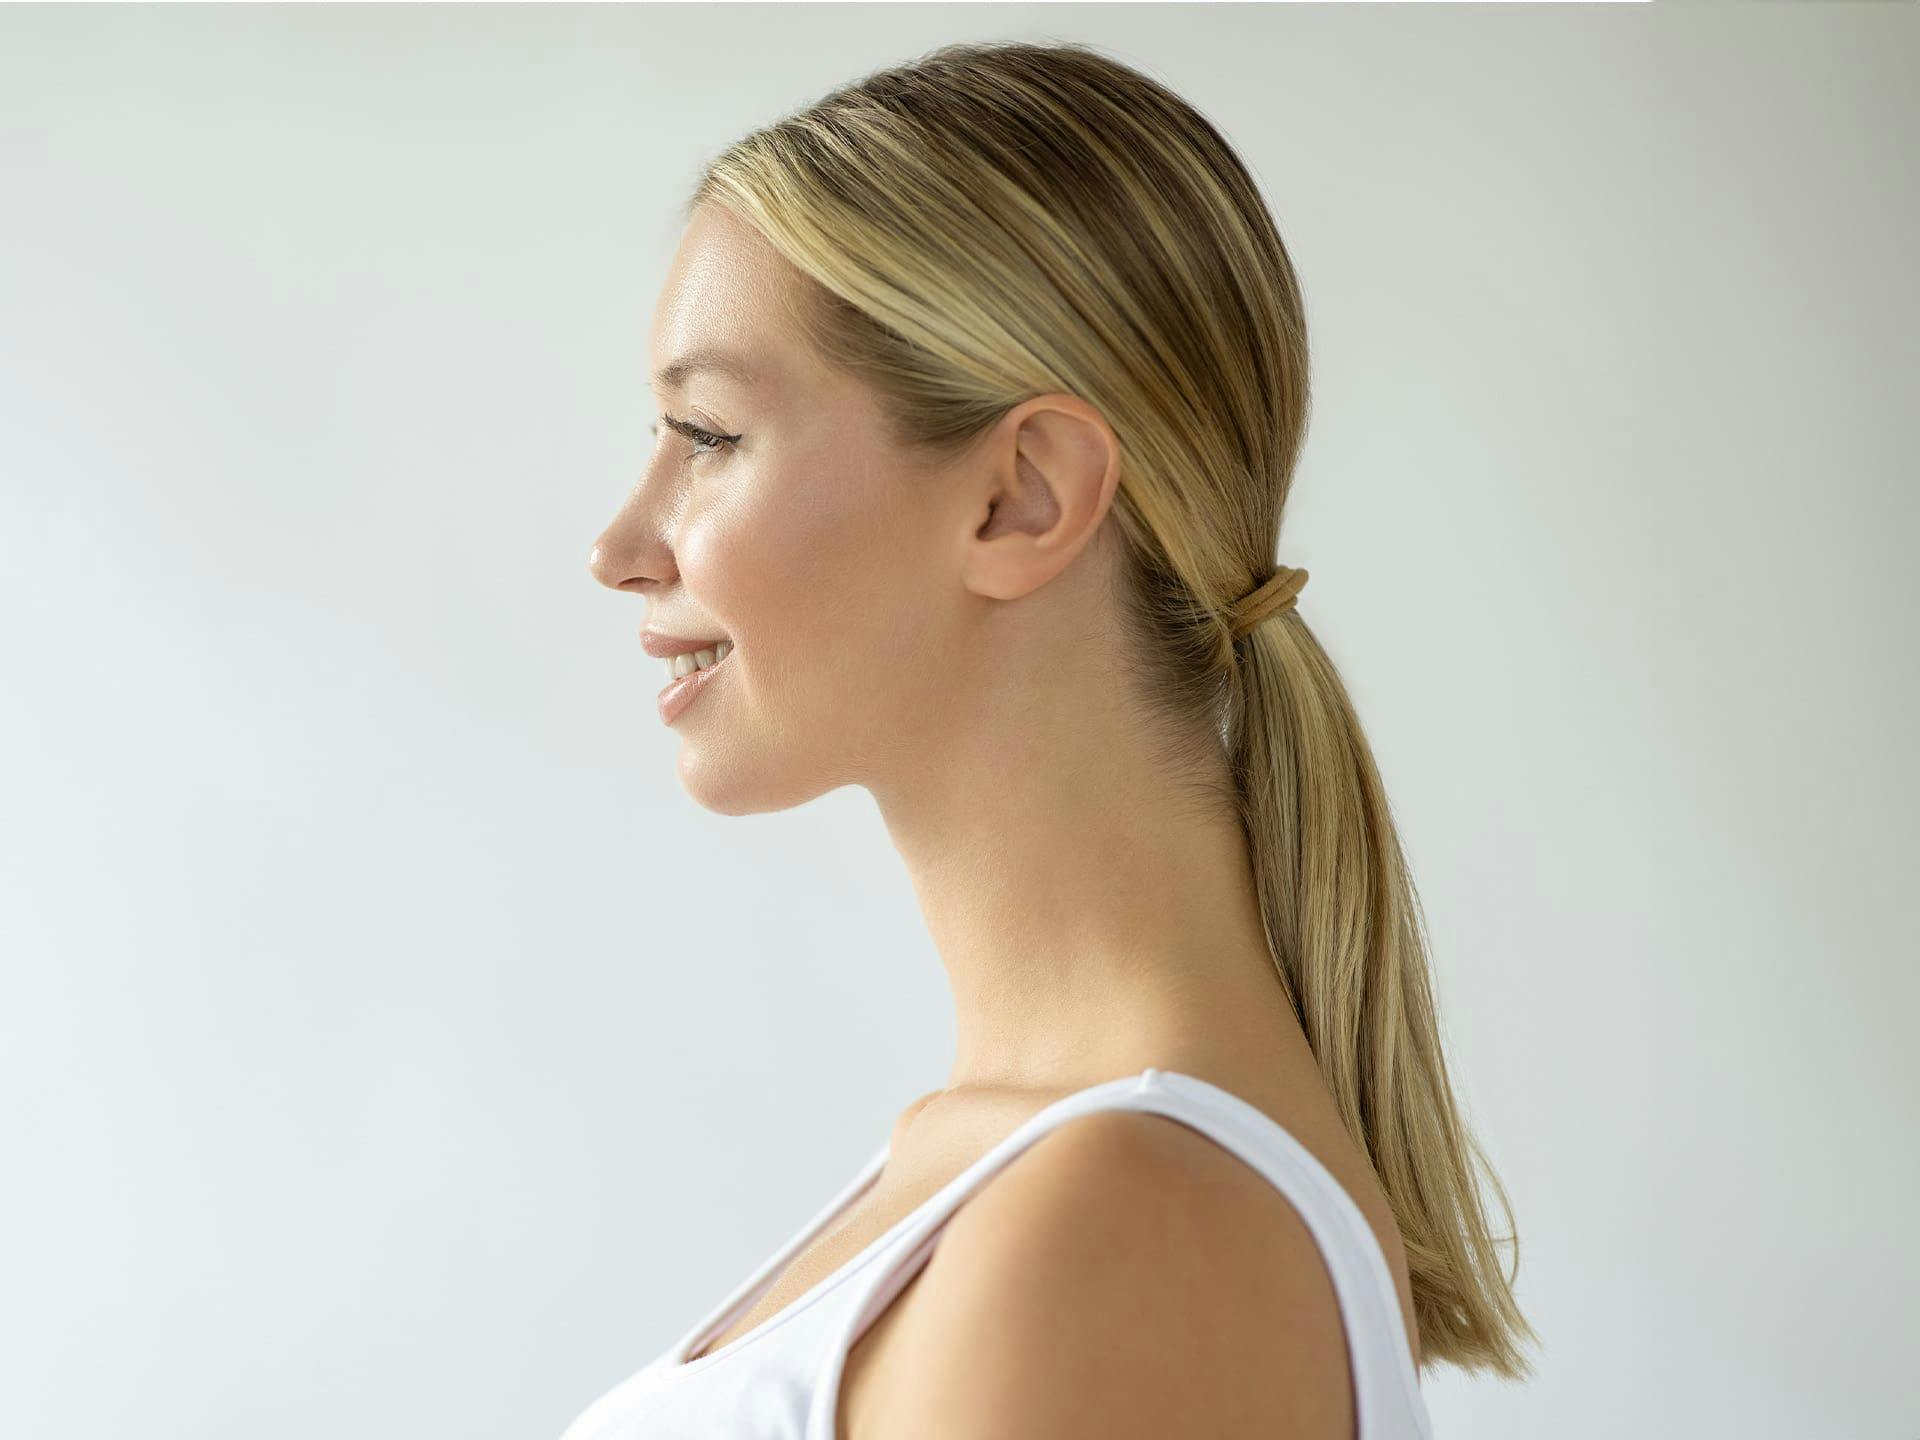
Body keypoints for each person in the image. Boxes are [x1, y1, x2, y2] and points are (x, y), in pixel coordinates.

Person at [574, 38, 1535, 1440]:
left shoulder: (1115, 1235)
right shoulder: (1029, 1180)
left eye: (707, 434)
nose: (618, 546)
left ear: (1022, 497)